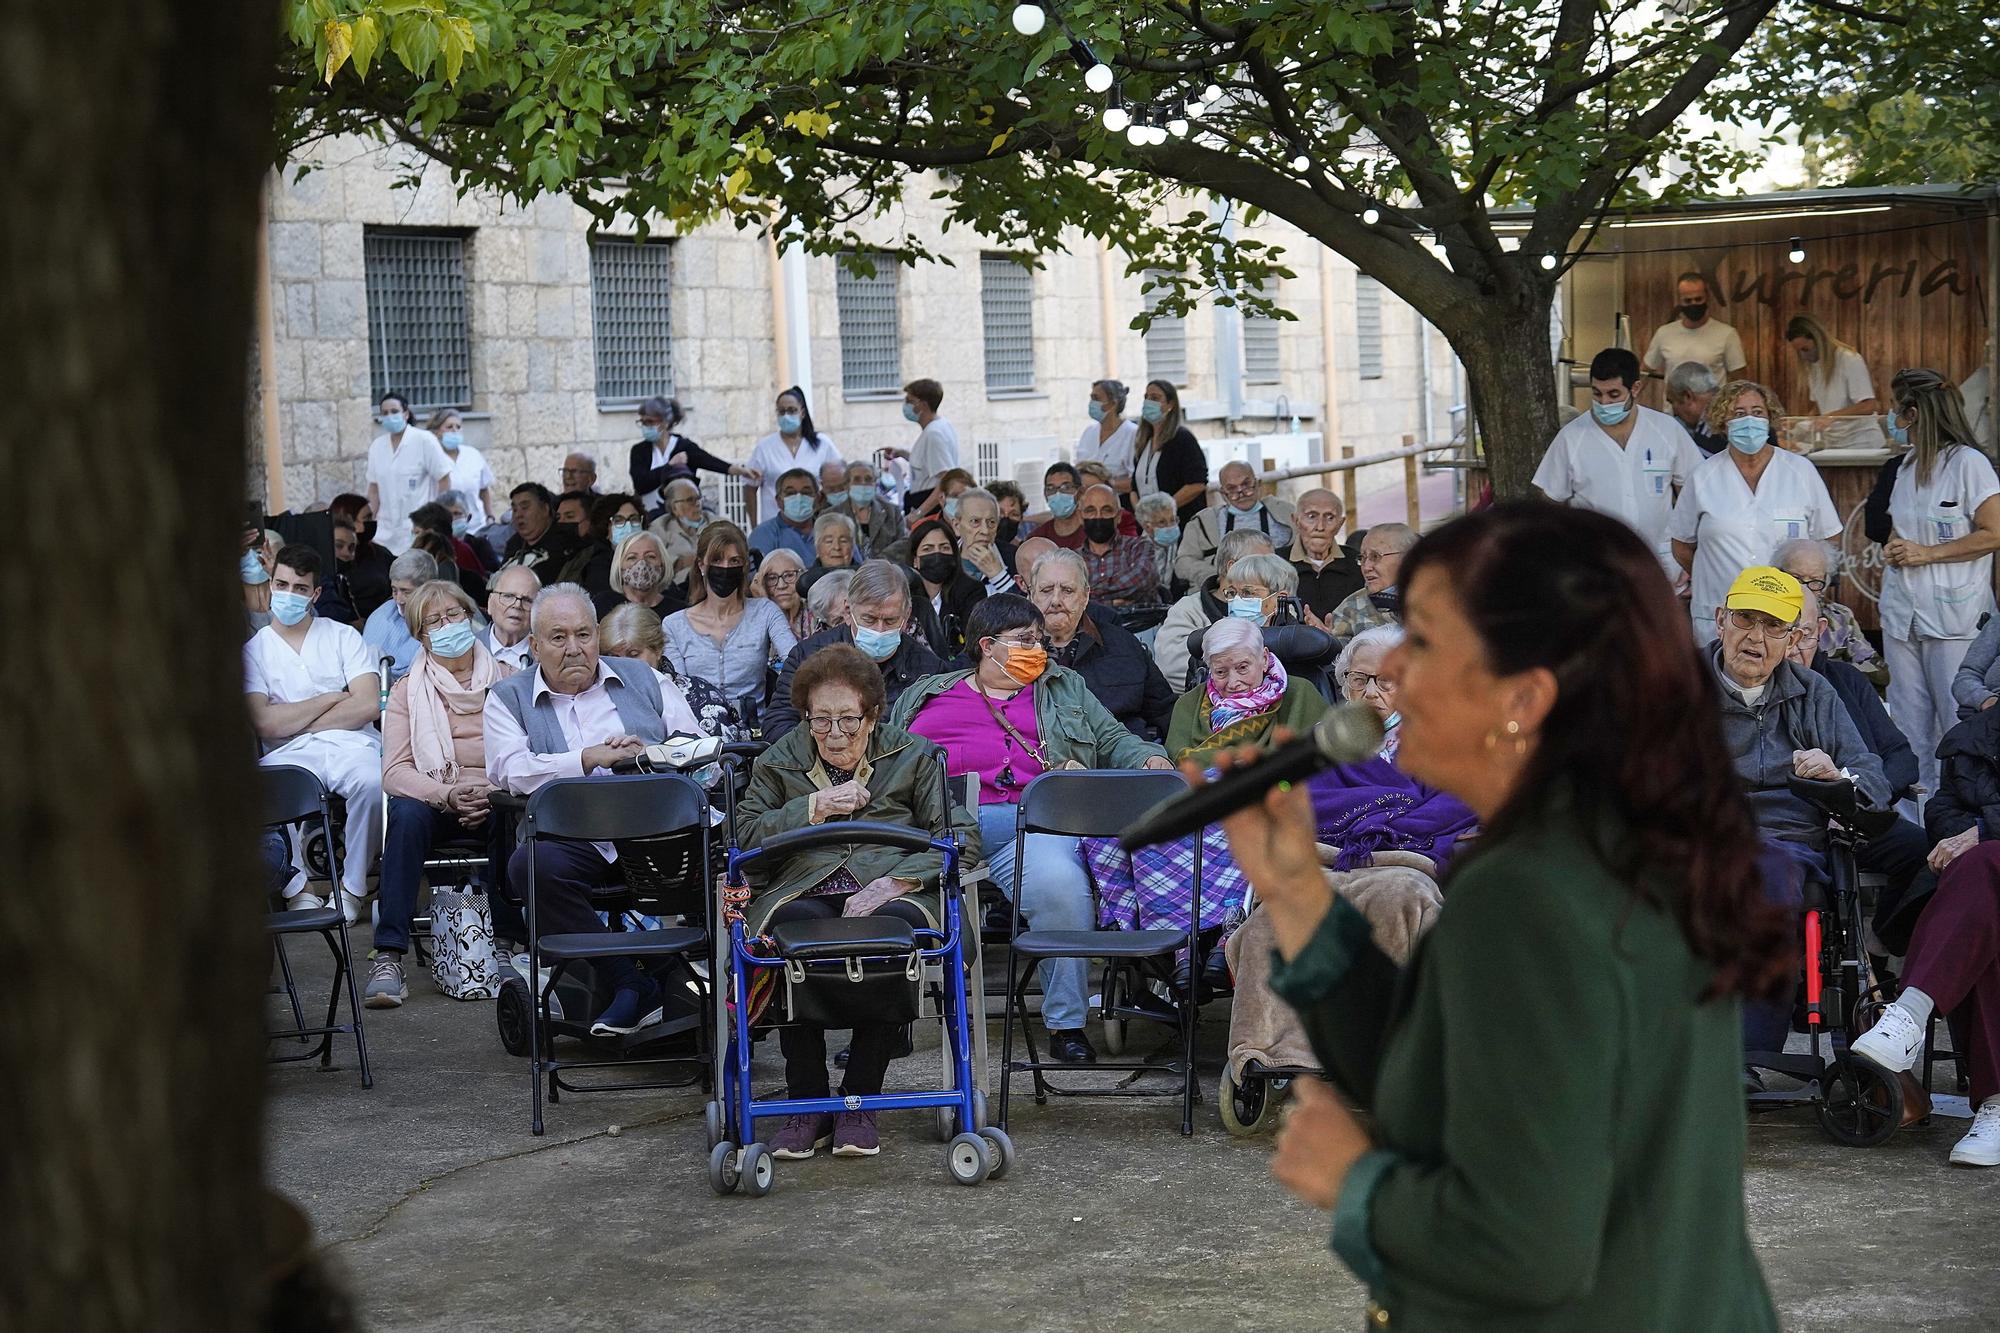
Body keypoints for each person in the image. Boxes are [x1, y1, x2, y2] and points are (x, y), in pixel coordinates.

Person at [1222, 502, 1783, 1329]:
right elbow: (1462, 1077)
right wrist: (1299, 892)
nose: (1395, 676)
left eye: (1425, 642)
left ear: (1522, 696)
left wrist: (1359, 1184)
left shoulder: (1531, 891)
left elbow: (1526, 1247)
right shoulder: (1625, 839)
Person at [894, 595, 1175, 1065]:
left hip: (1034, 822)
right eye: (1025, 640)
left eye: (1040, 640)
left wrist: (1150, 758)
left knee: (1063, 888)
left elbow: (1111, 738)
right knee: (897, 886)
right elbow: (887, 757)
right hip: (944, 824)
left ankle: (1066, 1024)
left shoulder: (1064, 687)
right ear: (987, 645)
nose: (1039, 649)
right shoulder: (928, 693)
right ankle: (893, 1023)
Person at [736, 644, 979, 1159]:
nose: (835, 734)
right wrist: (811, 807)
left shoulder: (914, 755)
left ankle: (858, 1098)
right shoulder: (779, 761)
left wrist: (899, 881)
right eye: (820, 721)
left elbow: (960, 836)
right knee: (789, 943)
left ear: (872, 714)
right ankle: (807, 1103)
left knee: (893, 940)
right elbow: (744, 839)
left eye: (849, 719)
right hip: (804, 885)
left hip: (895, 884)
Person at [483, 584, 690, 1035]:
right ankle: (630, 981)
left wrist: (647, 755)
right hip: (576, 839)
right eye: (558, 638)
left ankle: (698, 985)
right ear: (534, 645)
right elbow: (510, 772)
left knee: (728, 854)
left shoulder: (642, 677)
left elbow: (694, 748)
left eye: (583, 634)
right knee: (532, 865)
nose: (574, 648)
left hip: (653, 835)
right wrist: (587, 758)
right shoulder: (506, 698)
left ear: (597, 635)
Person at [1850, 699, 2000, 1166]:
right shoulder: (1978, 736)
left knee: (1985, 864)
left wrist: (1985, 832)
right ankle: (1997, 1107)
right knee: (1982, 902)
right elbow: (1942, 809)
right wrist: (1975, 833)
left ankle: (1910, 1013)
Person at [372, 579, 517, 1007]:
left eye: (453, 615)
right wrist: (447, 795)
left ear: (470, 618)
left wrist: (489, 793)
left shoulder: (509, 681)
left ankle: (507, 944)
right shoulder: (406, 691)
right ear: (420, 635)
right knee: (404, 814)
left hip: (496, 794)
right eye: (434, 620)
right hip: (435, 799)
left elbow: (527, 757)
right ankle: (389, 955)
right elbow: (395, 771)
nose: (446, 624)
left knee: (513, 813)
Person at [1872, 368, 2000, 793]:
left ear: (1912, 413)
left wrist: (1928, 554)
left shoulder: (1969, 464)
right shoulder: (1906, 466)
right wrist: (1895, 544)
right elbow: (1899, 526)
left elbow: (1994, 532)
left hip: (1955, 617)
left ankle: (1962, 820)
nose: (1891, 419)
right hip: (1902, 613)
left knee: (1955, 718)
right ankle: (1917, 821)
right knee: (1908, 725)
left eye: (1896, 411)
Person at [244, 544, 384, 921]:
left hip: (352, 743)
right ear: (270, 584)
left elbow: (369, 704)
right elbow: (266, 723)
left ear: (315, 593)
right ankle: (298, 888)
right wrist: (330, 697)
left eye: (300, 588)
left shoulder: (342, 637)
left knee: (372, 782)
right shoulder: (254, 650)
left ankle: (351, 889)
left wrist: (294, 718)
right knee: (266, 788)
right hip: (288, 753)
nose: (288, 594)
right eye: (282, 584)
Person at [1669, 379, 1841, 646]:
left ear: (1769, 417)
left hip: (1784, 614)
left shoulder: (1800, 471)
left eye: (1758, 412)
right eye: (1738, 414)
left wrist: (1808, 589)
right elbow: (1681, 545)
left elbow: (1828, 539)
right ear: (1722, 422)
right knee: (1717, 685)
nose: (1749, 420)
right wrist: (1710, 575)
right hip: (1719, 613)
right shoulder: (1703, 476)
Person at [1532, 347, 1701, 576]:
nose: (1603, 402)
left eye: (1613, 394)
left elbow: (1692, 495)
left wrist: (1689, 555)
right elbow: (1551, 504)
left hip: (1661, 562)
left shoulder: (1666, 430)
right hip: (1595, 564)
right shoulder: (1571, 438)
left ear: (1636, 388)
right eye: (1597, 394)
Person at [764, 560, 946, 742]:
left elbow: (940, 735)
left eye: (890, 621)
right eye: (869, 619)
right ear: (848, 611)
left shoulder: (929, 670)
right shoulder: (807, 656)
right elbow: (777, 725)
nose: (879, 630)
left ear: (906, 617)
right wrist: (827, 747)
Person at [1786, 587, 1916, 803]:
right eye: (1787, 635)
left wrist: (1862, 794)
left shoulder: (1847, 680)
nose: (1793, 650)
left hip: (1859, 813)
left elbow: (1901, 757)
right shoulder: (1758, 690)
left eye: (1805, 635)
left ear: (1820, 629)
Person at [1030, 549, 1174, 740]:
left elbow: (1165, 712)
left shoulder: (1123, 644)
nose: (1056, 600)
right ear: (1032, 595)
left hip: (1120, 761)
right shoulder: (1010, 649)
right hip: (1039, 761)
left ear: (1085, 596)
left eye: (1067, 590)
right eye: (1046, 590)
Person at [664, 522, 797, 705]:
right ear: (702, 565)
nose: (725, 568)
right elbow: (678, 691)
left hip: (755, 728)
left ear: (743, 566)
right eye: (717, 560)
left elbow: (795, 661)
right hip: (698, 729)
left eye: (734, 561)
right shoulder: (674, 625)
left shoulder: (765, 612)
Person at [1167, 616, 1328, 768]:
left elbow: (1318, 758)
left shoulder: (1300, 693)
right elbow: (1178, 765)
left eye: (1242, 668)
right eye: (1221, 672)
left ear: (1264, 659)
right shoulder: (1188, 704)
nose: (1233, 682)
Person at [597, 602, 744, 744]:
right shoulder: (592, 696)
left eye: (633, 654)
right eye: (613, 657)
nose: (623, 664)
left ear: (658, 649)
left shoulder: (701, 697)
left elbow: (725, 757)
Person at [1152, 529, 1278, 689]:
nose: (1274, 570)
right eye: (1262, 564)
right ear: (1233, 567)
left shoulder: (1274, 603)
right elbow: (1172, 667)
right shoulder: (1188, 610)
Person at [1771, 536, 1885, 687]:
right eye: (1796, 579)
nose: (1805, 589)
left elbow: (1879, 671)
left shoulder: (1840, 617)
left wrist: (1832, 672)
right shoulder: (1765, 615)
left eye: (1815, 581)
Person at [1176, 461, 1297, 587]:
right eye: (1232, 489)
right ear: (1223, 493)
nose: (1241, 493)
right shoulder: (1203, 522)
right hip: (1220, 592)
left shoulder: (1287, 514)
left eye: (1246, 484)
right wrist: (1217, 578)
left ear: (1258, 483)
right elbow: (1183, 562)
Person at [365, 393, 452, 555]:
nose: (389, 416)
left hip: (418, 531)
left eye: (394, 411)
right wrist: (369, 525)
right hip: (385, 532)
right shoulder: (377, 447)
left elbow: (444, 479)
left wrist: (437, 520)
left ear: (405, 414)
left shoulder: (424, 440)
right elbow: (374, 490)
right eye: (385, 413)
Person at [628, 395, 757, 501]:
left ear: (665, 422)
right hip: (649, 513)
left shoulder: (684, 447)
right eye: (642, 422)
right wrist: (670, 466)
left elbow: (712, 462)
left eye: (650, 422)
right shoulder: (639, 451)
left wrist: (743, 471)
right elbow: (641, 484)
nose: (645, 426)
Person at [1785, 312, 1884, 450]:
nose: (1803, 355)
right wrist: (1797, 425)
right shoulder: (1813, 368)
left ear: (1818, 340)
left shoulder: (1849, 359)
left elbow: (1868, 406)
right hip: (1834, 441)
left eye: (1806, 349)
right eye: (1799, 351)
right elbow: (1820, 407)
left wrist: (1830, 417)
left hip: (1861, 440)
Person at [746, 386, 841, 522]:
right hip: (775, 522)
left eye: (791, 411)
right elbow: (750, 488)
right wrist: (755, 526)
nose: (786, 416)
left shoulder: (822, 444)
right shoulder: (765, 447)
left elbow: (839, 478)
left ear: (802, 412)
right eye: (782, 411)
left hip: (815, 521)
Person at [1640, 271, 1747, 385]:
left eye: (1698, 299)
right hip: (1674, 403)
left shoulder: (1727, 334)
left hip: (1713, 403)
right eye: (1688, 300)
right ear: (1679, 301)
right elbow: (1644, 372)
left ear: (1707, 297)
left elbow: (1739, 381)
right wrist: (1629, 400)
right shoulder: (1664, 333)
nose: (1693, 304)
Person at [1129, 379, 1209, 527]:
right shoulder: (1144, 441)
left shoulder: (1182, 438)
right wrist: (1141, 512)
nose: (1148, 402)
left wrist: (1165, 509)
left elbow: (1197, 483)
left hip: (1181, 523)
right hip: (1149, 526)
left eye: (1155, 398)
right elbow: (1134, 486)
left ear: (1170, 405)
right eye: (1146, 397)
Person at [906, 517, 986, 659]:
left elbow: (974, 643)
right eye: (928, 549)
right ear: (915, 560)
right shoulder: (905, 595)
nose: (937, 554)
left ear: (954, 556)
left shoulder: (972, 590)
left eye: (944, 548)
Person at [1325, 523, 1417, 644]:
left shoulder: (1438, 600)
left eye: (1375, 556)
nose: (1366, 567)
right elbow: (1339, 659)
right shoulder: (1350, 609)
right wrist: (1327, 645)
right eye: (1362, 558)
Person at [1075, 483, 1161, 605]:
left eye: (1106, 510)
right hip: (1089, 624)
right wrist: (1110, 603)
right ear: (1080, 516)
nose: (1098, 517)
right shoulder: (1072, 559)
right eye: (1091, 510)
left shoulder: (1139, 547)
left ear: (1119, 516)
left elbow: (1140, 581)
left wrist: (1086, 593)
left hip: (1141, 622)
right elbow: (1066, 598)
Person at [361, 549, 439, 685]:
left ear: (428, 589)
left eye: (406, 592)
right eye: (394, 590)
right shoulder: (381, 616)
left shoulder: (443, 619)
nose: (399, 599)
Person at [885, 377, 959, 518]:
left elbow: (946, 479)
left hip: (930, 506)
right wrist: (902, 454)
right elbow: (927, 462)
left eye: (909, 401)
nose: (905, 405)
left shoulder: (934, 434)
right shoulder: (939, 426)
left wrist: (919, 513)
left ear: (923, 405)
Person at [1288, 488, 1362, 619]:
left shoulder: (1357, 562)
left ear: (1340, 524)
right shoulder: (1278, 563)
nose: (1320, 527)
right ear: (1296, 521)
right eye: (1311, 516)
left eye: (1330, 518)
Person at [425, 409, 497, 527]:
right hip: (446, 526)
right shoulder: (431, 457)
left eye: (458, 427)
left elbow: (484, 489)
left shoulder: (472, 455)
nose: (454, 430)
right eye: (449, 427)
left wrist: (490, 516)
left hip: (477, 525)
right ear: (437, 431)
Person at [328, 492, 393, 618]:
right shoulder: (330, 566)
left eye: (351, 547)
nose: (347, 552)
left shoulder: (379, 553)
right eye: (367, 519)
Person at [952, 488, 1021, 597]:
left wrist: (998, 574)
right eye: (975, 521)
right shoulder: (944, 558)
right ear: (956, 526)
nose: (985, 531)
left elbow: (1025, 611)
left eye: (991, 522)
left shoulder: (1015, 558)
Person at [499, 482, 579, 577]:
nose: (518, 515)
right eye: (514, 510)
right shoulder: (514, 544)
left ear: (545, 509)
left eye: (525, 507)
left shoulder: (565, 542)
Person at [1075, 378, 1140, 492]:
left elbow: (1137, 480)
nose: (1092, 403)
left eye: (1096, 398)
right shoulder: (1089, 432)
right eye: (1091, 398)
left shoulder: (1132, 434)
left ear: (1113, 403)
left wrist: (1106, 484)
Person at [609, 529, 686, 624]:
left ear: (663, 563)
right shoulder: (603, 606)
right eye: (632, 557)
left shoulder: (679, 613)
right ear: (619, 566)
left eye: (651, 556)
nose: (642, 563)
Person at [749, 467, 821, 564]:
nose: (798, 498)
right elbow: (759, 575)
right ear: (779, 501)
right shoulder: (763, 534)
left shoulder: (828, 530)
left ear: (817, 498)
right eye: (790, 493)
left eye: (806, 493)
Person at [836, 457, 902, 559]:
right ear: (846, 485)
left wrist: (877, 562)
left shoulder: (892, 512)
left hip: (885, 568)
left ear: (875, 484)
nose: (863, 483)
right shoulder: (833, 514)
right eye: (857, 480)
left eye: (868, 479)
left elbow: (903, 543)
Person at [645, 477, 706, 587]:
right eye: (690, 500)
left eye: (698, 498)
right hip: (677, 591)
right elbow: (652, 567)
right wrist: (681, 562)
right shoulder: (659, 529)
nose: (697, 504)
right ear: (674, 508)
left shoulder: (716, 523)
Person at [480, 564, 540, 672]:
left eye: (527, 600)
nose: (517, 605)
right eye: (508, 596)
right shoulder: (466, 649)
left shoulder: (547, 658)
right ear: (490, 603)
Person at [1023, 462, 1087, 549]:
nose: (1058, 494)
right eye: (1051, 489)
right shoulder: (1037, 539)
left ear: (1080, 492)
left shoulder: (1091, 534)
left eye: (1066, 487)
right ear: (1045, 495)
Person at [750, 547, 810, 641]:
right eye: (772, 578)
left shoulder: (817, 614)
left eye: (789, 575)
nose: (781, 586)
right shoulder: (751, 621)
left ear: (803, 576)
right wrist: (764, 604)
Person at [1666, 361, 1725, 456]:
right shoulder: (1730, 404)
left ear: (1688, 396)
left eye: (1672, 402)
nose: (1673, 411)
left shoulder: (1710, 428)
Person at [1134, 491, 1184, 600]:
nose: (1170, 526)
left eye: (1173, 520)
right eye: (1162, 522)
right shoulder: (1135, 552)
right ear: (1147, 527)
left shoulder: (1185, 543)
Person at [800, 511, 858, 592]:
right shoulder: (805, 582)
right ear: (817, 547)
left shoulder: (866, 578)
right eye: (829, 541)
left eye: (843, 541)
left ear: (852, 546)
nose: (837, 547)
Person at [805, 567, 852, 636]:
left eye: (850, 613)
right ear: (827, 626)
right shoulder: (821, 642)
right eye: (839, 621)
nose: (849, 622)